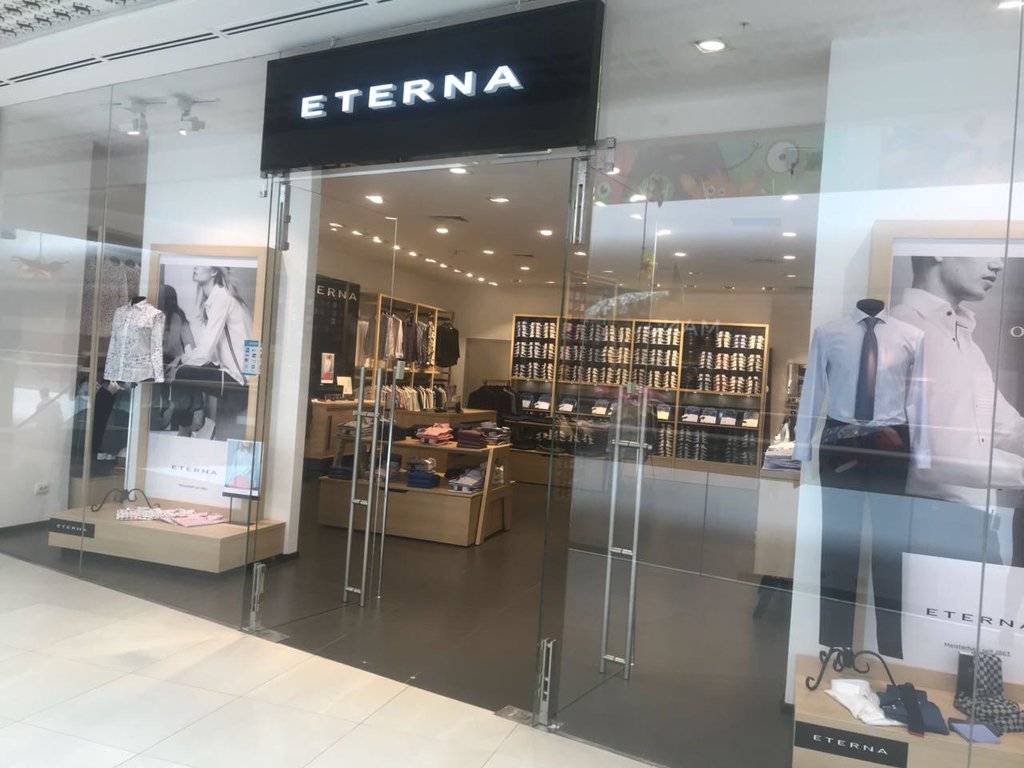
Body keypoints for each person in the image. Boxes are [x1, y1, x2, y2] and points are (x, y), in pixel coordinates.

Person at [892, 251, 1024, 563]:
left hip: (968, 525)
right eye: (986, 252)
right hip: (936, 523)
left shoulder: (960, 337)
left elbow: (1003, 426)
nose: (998, 264)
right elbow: (940, 457)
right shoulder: (907, 328)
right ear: (938, 251)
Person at [167, 266, 253, 439]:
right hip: (233, 373)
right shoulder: (217, 298)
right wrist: (183, 358)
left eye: (201, 265)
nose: (195, 267)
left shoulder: (221, 297)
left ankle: (188, 427)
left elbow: (205, 352)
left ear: (214, 272)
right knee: (187, 369)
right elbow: (210, 354)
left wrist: (182, 361)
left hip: (238, 380)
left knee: (182, 373)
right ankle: (197, 420)